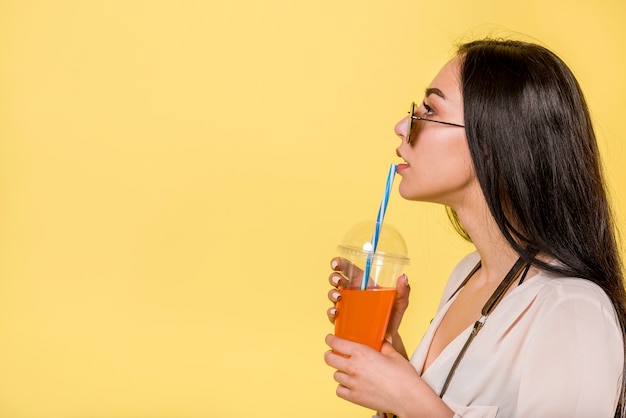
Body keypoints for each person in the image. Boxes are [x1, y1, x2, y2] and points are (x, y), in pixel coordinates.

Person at [324, 38, 626, 418]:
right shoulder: (467, 275)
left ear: (492, 142)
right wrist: (392, 357)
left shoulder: (574, 311)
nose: (403, 125)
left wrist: (410, 399)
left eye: (430, 110)